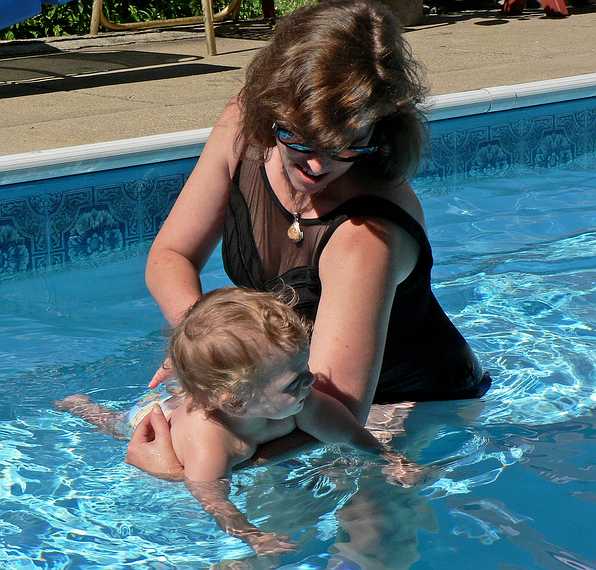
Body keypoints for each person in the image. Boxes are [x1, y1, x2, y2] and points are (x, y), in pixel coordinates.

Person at [126, 0, 491, 477]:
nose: (318, 166)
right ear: (269, 107)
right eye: (299, 139)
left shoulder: (366, 236)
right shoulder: (243, 126)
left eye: (346, 144)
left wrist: (188, 470)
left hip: (411, 402)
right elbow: (171, 256)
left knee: (360, 522)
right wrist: (209, 351)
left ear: (380, 127)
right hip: (284, 383)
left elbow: (341, 415)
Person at [55, 287, 423, 555]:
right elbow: (211, 495)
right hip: (159, 417)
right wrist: (250, 534)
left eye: (305, 367)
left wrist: (392, 461)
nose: (311, 381)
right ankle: (84, 408)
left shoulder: (302, 402)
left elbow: (351, 434)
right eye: (294, 380)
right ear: (237, 401)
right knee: (118, 426)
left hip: (209, 396)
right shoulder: (212, 440)